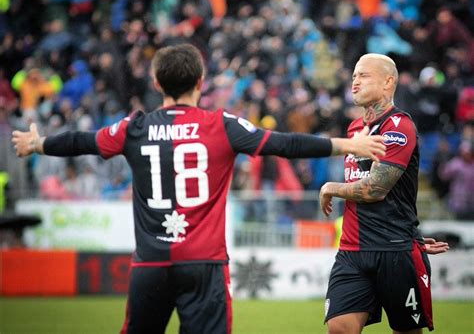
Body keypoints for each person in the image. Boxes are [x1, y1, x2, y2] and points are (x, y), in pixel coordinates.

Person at [12, 44, 386, 334]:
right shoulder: (220, 125)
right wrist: (347, 145)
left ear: (157, 83)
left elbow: (82, 141)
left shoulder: (134, 128)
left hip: (151, 264)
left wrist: (39, 143)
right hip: (204, 266)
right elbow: (284, 144)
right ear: (200, 82)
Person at [319, 53, 450, 334]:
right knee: (339, 329)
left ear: (388, 81)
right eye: (354, 76)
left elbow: (376, 189)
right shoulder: (355, 129)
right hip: (352, 251)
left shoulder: (398, 127)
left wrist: (332, 188)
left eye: (363, 75)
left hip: (394, 251)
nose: (355, 82)